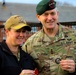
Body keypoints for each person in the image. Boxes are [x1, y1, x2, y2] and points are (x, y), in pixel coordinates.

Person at [22, 0, 76, 75]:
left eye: (52, 13)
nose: (50, 18)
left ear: (57, 14)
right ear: (38, 17)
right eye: (45, 14)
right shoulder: (30, 43)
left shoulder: (74, 36)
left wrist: (75, 68)